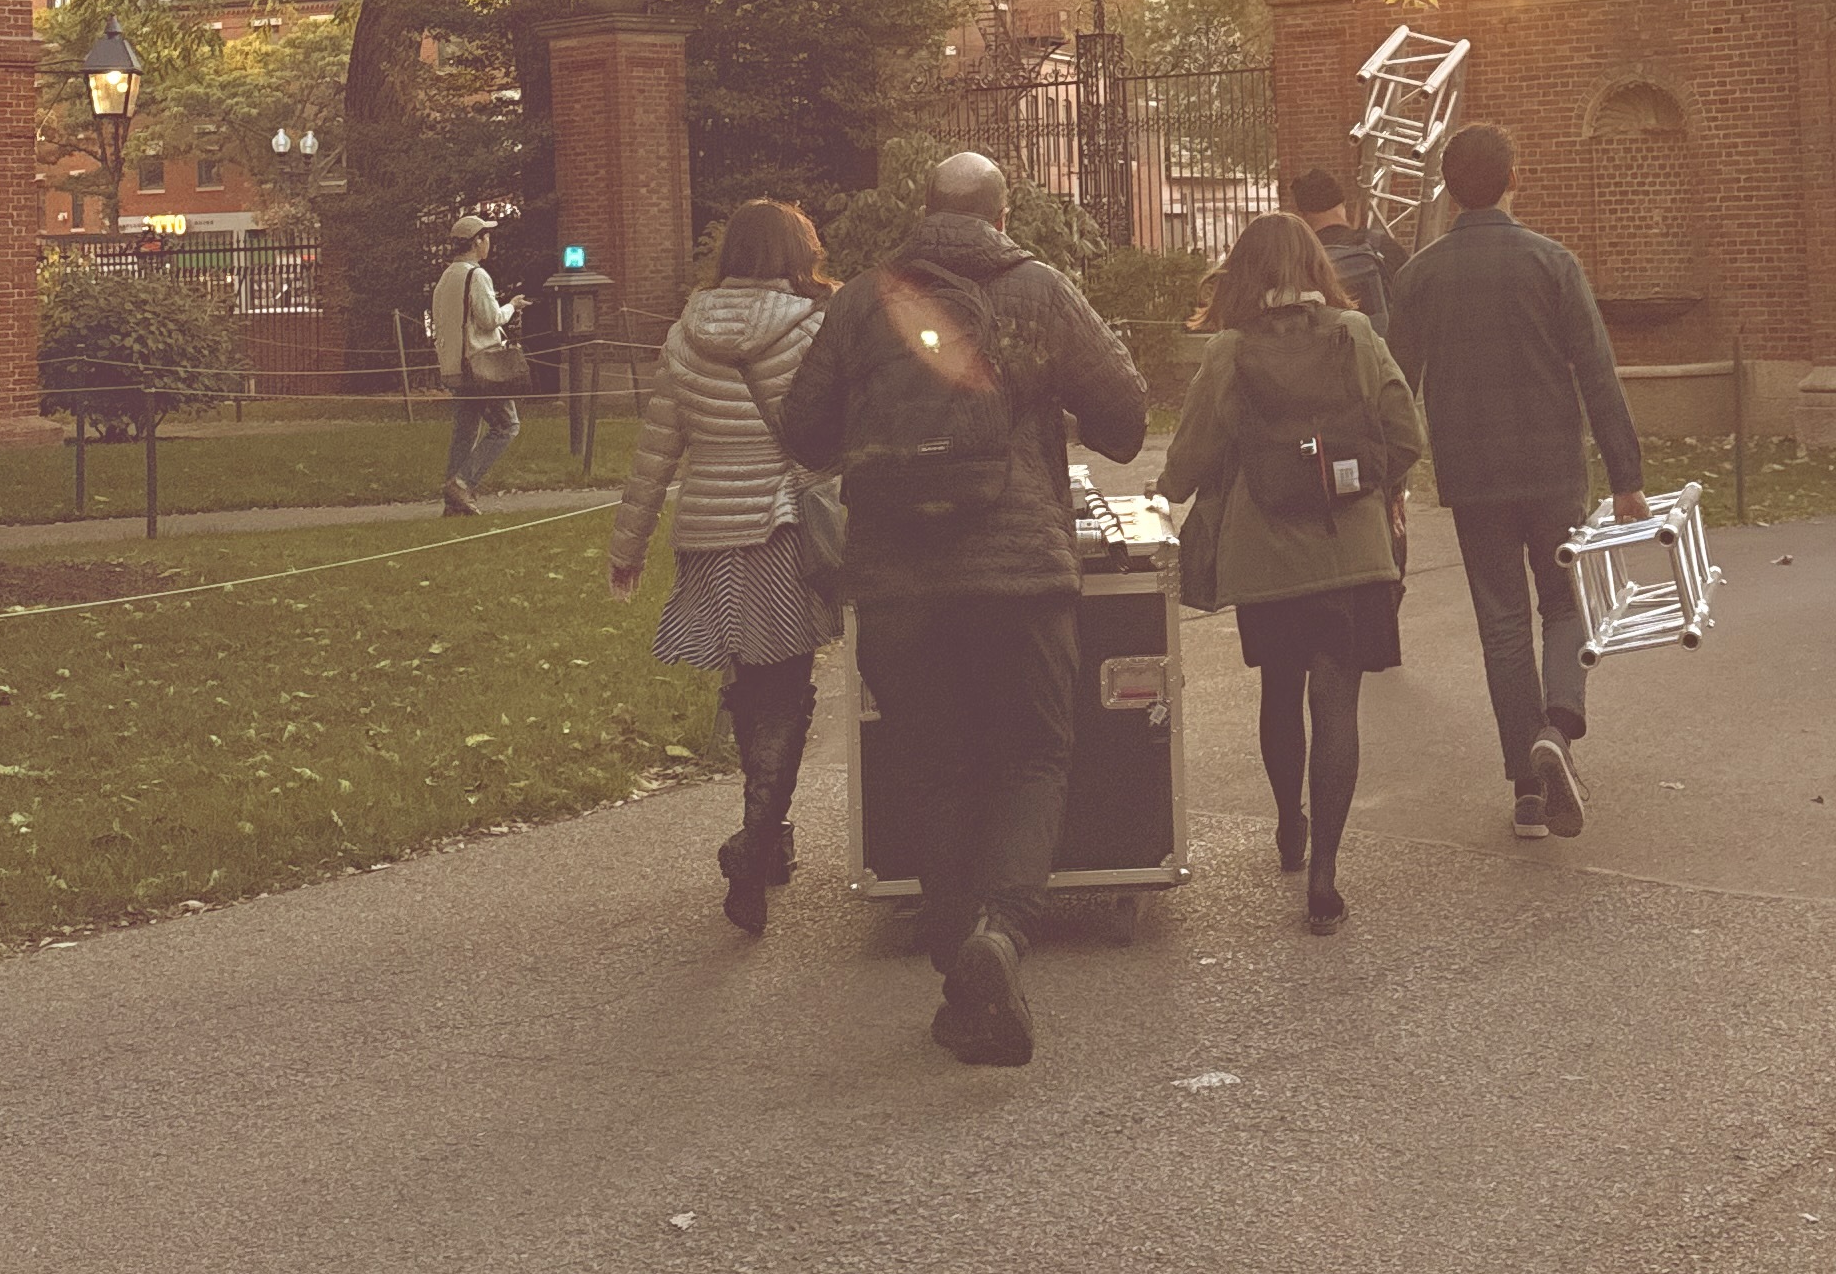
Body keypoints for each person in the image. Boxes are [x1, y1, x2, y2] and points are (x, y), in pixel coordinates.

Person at [780, 149, 1147, 1065]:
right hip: (1020, 575)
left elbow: (805, 431)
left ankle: (961, 967)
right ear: (1002, 213)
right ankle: (1004, 936)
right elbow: (1127, 418)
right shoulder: (1039, 289)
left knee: (930, 767)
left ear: (926, 210)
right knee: (1032, 757)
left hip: (899, 584)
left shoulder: (865, 299)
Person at [1161, 213, 1424, 933]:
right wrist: (1365, 484)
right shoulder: (1357, 336)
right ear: (1316, 268)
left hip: (1267, 555)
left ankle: (1288, 825)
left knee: (1280, 690)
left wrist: (1165, 496)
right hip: (1352, 553)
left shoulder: (1229, 351)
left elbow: (1189, 455)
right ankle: (1327, 878)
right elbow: (1407, 435)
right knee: (1337, 704)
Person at [1387, 122, 1647, 841]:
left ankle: (1528, 790)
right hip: (1552, 470)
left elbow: (1394, 386)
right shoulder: (1552, 263)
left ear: (1446, 188)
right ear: (1514, 179)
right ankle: (1558, 730)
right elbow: (1595, 370)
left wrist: (1390, 480)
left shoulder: (1420, 276)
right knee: (1565, 606)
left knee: (1501, 625)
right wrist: (1626, 475)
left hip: (1473, 475)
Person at [606, 199, 842, 937]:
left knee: (748, 685)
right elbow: (833, 428)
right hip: (779, 526)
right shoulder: (812, 325)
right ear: (796, 252)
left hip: (708, 528)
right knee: (787, 690)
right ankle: (757, 840)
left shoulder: (686, 331)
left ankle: (767, 842)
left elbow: (657, 451)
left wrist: (627, 548)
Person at [431, 212, 523, 515]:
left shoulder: (446, 278)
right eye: (487, 237)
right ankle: (462, 483)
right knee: (507, 426)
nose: (489, 243)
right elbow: (489, 319)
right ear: (476, 242)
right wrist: (512, 306)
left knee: (465, 431)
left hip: (455, 367)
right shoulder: (477, 275)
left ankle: (453, 503)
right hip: (480, 366)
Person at [1288, 166, 1398, 334]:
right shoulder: (1380, 246)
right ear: (1343, 203)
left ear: (1302, 214)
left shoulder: (1296, 259)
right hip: (1378, 352)